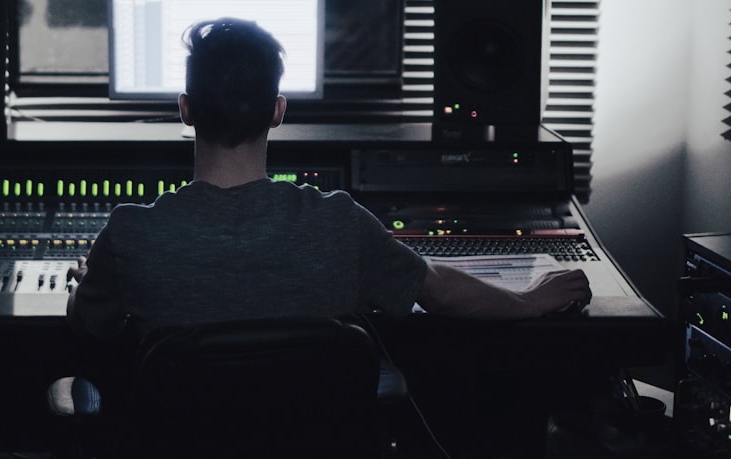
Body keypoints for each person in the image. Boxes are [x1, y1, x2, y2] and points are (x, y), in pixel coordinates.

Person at [67, 17, 592, 341]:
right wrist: (528, 299)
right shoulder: (339, 222)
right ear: (278, 111)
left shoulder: (130, 233)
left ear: (185, 109)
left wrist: (82, 286)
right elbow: (440, 293)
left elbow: (88, 324)